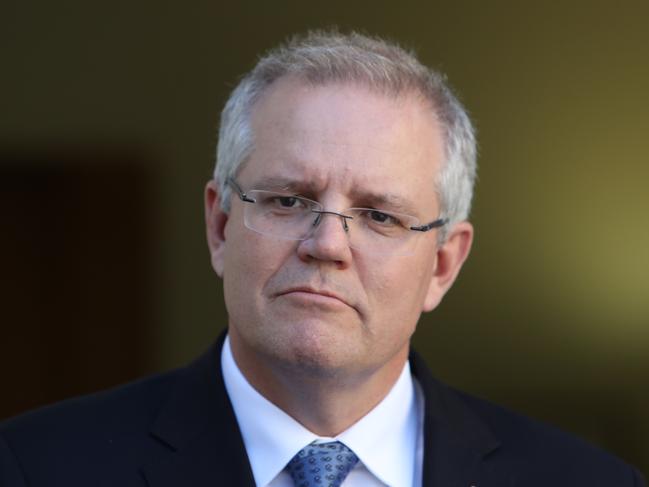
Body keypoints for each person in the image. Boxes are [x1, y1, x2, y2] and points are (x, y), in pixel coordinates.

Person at [0, 30, 645, 487]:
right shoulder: (34, 466)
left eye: (380, 216)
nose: (328, 244)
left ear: (443, 265)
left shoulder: (589, 481)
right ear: (220, 225)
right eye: (287, 200)